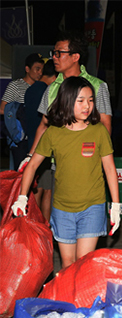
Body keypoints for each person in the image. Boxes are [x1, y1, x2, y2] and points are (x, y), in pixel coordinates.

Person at [11, 77, 120, 270]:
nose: (87, 106)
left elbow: (110, 169)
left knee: (83, 263)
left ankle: (83, 301)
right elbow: (33, 165)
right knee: (68, 264)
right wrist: (21, 197)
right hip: (62, 209)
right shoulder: (53, 133)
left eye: (91, 100)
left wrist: (116, 205)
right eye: (81, 100)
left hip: (92, 206)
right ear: (67, 101)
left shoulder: (98, 131)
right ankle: (69, 300)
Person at [20, 30, 113, 171]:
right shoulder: (51, 89)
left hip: (87, 162)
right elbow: (44, 126)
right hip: (58, 163)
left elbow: (105, 124)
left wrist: (99, 157)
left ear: (75, 56)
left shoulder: (97, 86)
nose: (54, 58)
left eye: (59, 53)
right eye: (53, 53)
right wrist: (30, 156)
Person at [23, 59, 57, 222]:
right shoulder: (48, 91)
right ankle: (42, 228)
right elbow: (46, 122)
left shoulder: (31, 90)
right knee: (46, 191)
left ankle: (33, 226)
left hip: (32, 143)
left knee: (35, 189)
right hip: (44, 147)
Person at [1, 53, 44, 169]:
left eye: (42, 70)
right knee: (20, 172)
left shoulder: (41, 87)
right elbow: (2, 109)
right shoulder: (15, 86)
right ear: (27, 69)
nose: (40, 73)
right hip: (21, 139)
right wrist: (20, 112)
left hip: (38, 136)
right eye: (37, 69)